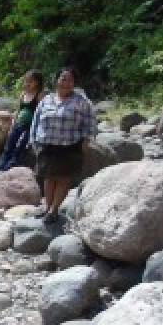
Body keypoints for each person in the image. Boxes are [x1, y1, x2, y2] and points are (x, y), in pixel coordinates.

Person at [30, 67, 97, 223]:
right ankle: (47, 207)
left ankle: (54, 210)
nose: (66, 83)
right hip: (47, 145)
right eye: (63, 79)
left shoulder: (81, 101)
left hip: (70, 146)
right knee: (48, 177)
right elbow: (36, 120)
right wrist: (33, 139)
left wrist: (87, 141)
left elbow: (91, 122)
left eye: (70, 80)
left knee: (63, 179)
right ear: (57, 80)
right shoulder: (46, 100)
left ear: (74, 83)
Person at [0, 70, 45, 172]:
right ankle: (0, 167)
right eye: (26, 81)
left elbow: (41, 113)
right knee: (9, 144)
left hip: (31, 126)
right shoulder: (23, 94)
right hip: (19, 123)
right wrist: (13, 123)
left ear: (37, 82)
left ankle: (9, 166)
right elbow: (18, 110)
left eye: (31, 81)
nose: (27, 83)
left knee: (21, 146)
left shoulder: (39, 95)